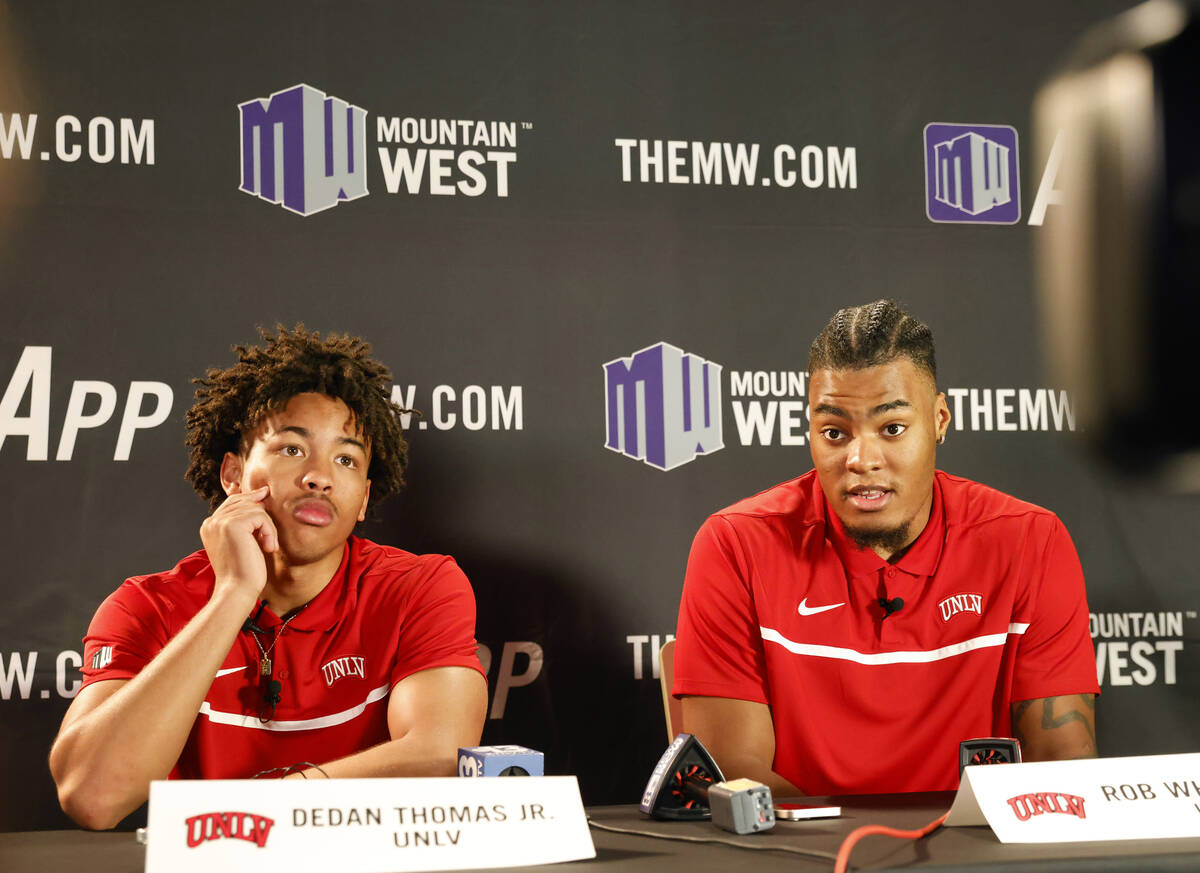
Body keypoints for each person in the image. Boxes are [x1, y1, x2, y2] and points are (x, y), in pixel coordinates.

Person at [50, 327, 487, 829]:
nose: (320, 476)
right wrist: (233, 594)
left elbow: (441, 756)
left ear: (363, 498)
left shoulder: (420, 586)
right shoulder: (146, 606)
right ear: (233, 476)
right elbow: (91, 797)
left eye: (345, 459)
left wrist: (272, 805)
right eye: (292, 450)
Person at [672, 300, 1099, 796]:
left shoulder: (1030, 539)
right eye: (834, 432)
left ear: (939, 420)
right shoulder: (736, 544)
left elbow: (1064, 764)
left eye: (892, 428)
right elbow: (735, 776)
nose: (860, 459)